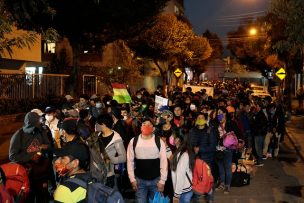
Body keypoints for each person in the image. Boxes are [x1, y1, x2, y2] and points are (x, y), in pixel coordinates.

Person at [9, 112, 51, 203]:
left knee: (42, 196)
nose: (34, 129)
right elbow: (12, 156)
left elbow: (48, 145)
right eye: (32, 127)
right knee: (29, 197)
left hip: (41, 170)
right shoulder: (18, 135)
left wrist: (45, 146)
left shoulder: (41, 131)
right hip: (26, 173)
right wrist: (30, 157)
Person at [127, 119, 168, 202]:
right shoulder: (134, 141)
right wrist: (132, 179)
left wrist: (162, 181)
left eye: (149, 125)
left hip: (156, 181)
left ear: (153, 128)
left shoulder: (159, 141)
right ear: (141, 127)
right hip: (139, 181)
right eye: (144, 124)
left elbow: (164, 162)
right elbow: (129, 161)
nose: (146, 126)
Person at [189, 113, 217, 202]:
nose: (200, 119)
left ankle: (209, 197)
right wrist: (192, 149)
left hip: (206, 159)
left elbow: (212, 147)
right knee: (195, 178)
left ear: (205, 119)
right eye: (198, 117)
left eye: (202, 117)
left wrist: (200, 149)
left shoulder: (210, 130)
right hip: (195, 159)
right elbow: (189, 143)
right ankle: (196, 197)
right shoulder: (193, 130)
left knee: (207, 179)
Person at [94, 114, 126, 188]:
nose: (96, 126)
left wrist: (108, 159)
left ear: (103, 125)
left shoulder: (116, 138)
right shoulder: (97, 135)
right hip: (96, 173)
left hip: (108, 174)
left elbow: (123, 157)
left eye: (97, 124)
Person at [215, 106, 241, 194]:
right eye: (217, 113)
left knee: (227, 168)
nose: (218, 115)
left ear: (225, 113)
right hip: (218, 149)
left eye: (220, 113)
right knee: (220, 168)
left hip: (228, 149)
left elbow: (238, 133)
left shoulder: (231, 123)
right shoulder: (216, 124)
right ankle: (222, 183)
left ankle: (227, 185)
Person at [171, 131, 195, 203]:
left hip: (183, 191)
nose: (171, 138)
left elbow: (180, 175)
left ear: (178, 139)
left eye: (173, 136)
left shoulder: (183, 155)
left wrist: (176, 195)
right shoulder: (180, 152)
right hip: (182, 189)